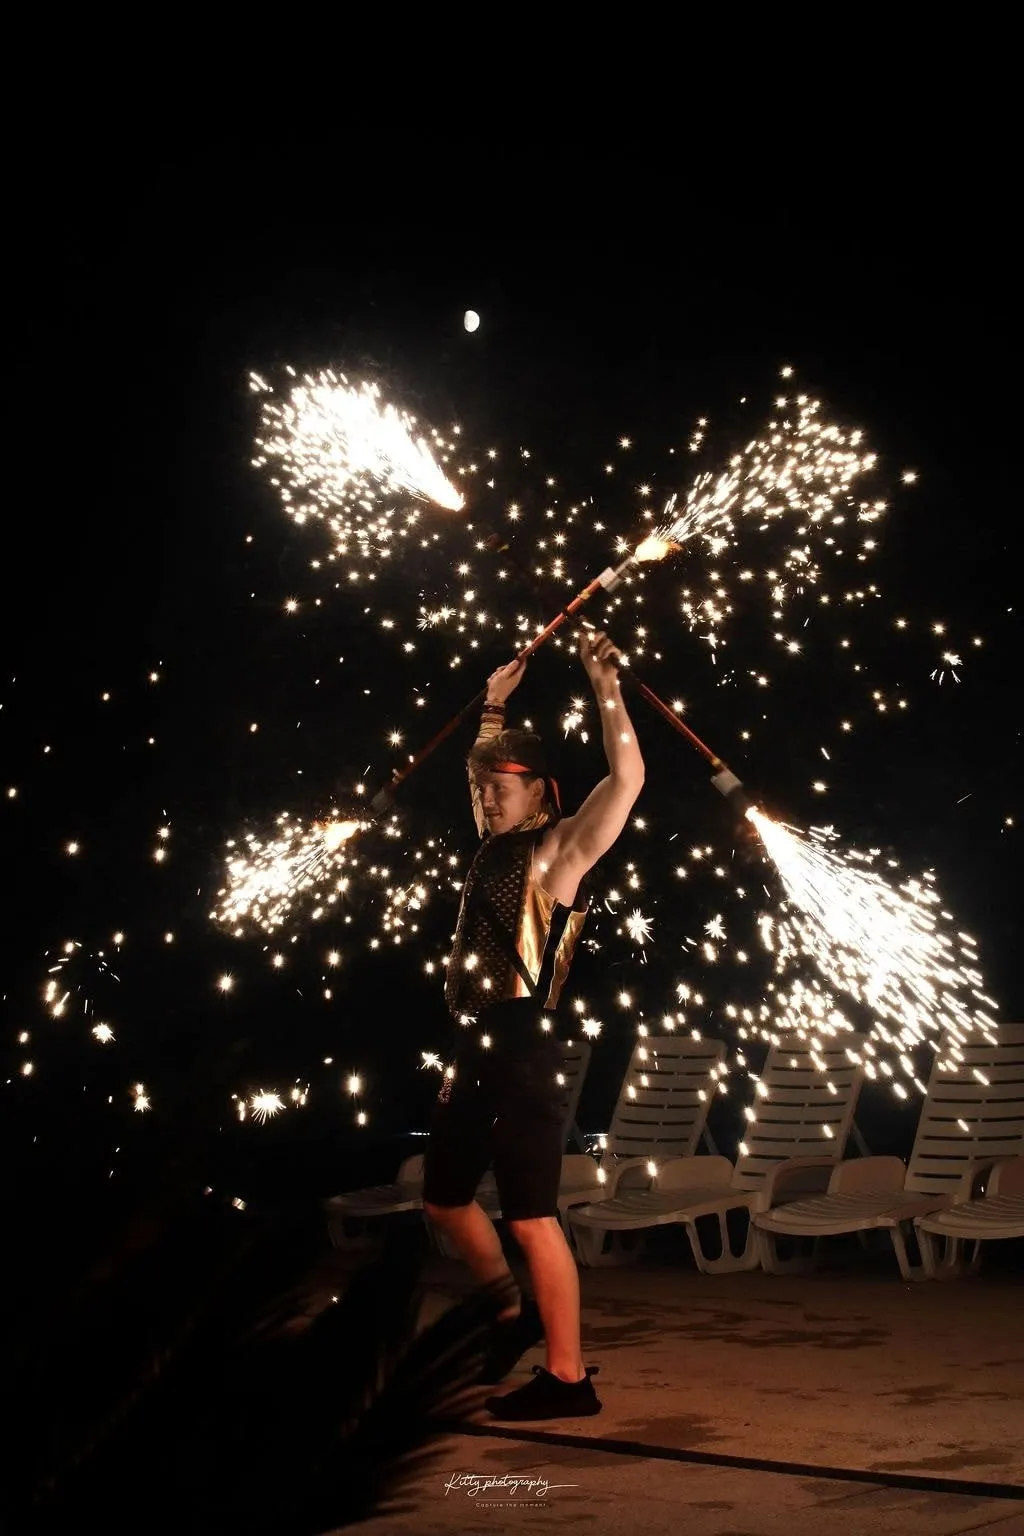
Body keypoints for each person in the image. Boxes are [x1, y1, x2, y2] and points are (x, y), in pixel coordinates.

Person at [422, 628, 645, 1420]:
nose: (486, 798)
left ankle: (568, 1378)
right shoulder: (492, 845)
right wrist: (492, 707)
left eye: (501, 787)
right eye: (481, 788)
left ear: (540, 792)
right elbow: (480, 778)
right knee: (444, 1199)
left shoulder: (560, 852)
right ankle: (509, 1312)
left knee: (530, 1216)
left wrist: (604, 685)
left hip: (523, 1045)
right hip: (472, 1042)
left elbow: (627, 779)